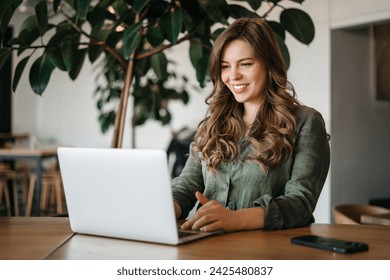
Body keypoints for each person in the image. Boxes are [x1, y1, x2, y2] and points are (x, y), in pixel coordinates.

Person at [171, 18, 330, 233]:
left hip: (269, 251)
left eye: (245, 64)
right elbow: (187, 184)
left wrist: (235, 219)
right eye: (225, 66)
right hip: (206, 244)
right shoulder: (212, 124)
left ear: (269, 63)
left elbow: (300, 202)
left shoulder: (306, 122)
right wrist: (166, 207)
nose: (233, 75)